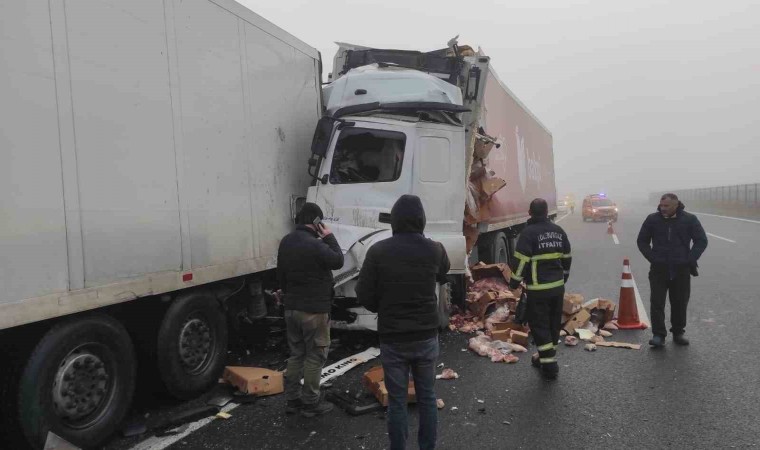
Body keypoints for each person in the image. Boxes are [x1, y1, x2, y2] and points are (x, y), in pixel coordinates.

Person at [356, 195, 450, 450]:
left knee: (397, 401)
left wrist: (383, 308)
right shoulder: (435, 249)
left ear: (394, 220)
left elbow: (363, 294)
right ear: (422, 219)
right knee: (427, 397)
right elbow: (443, 272)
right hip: (426, 336)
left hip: (393, 337)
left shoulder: (378, 251)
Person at [277, 202, 344, 417]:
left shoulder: (286, 241)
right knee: (315, 356)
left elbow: (281, 274)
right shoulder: (315, 244)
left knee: (296, 354)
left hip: (291, 309)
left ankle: (293, 400)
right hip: (314, 311)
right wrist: (329, 237)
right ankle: (310, 403)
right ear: (317, 222)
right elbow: (338, 260)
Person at [508, 198, 572, 380]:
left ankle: (549, 365)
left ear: (530, 212)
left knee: (539, 325)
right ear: (546, 212)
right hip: (557, 288)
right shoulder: (558, 231)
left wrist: (514, 283)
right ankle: (545, 357)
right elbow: (567, 257)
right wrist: (563, 278)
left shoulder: (528, 234)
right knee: (553, 324)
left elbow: (521, 261)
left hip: (538, 290)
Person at [637, 193, 707, 348]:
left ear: (676, 205)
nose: (663, 208)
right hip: (658, 269)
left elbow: (701, 240)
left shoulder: (689, 219)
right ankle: (658, 335)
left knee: (680, 302)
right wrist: (653, 258)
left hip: (681, 270)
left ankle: (678, 332)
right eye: (661, 205)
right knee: (657, 302)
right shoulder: (652, 219)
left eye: (666, 206)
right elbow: (642, 241)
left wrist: (690, 259)